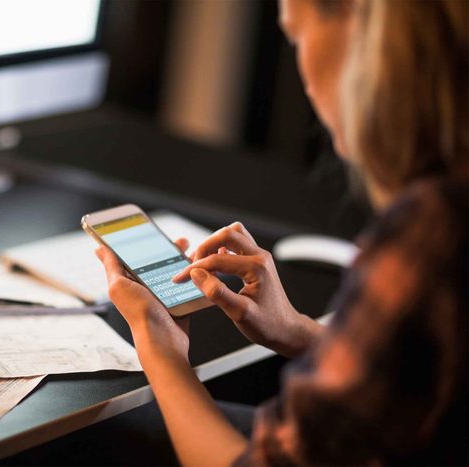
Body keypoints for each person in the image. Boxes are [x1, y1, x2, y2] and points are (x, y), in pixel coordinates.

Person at [95, 0, 468, 465]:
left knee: (89, 439)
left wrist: (159, 346)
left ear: (366, 36)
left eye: (296, 37)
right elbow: (420, 379)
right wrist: (297, 331)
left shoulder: (433, 232)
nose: (303, 73)